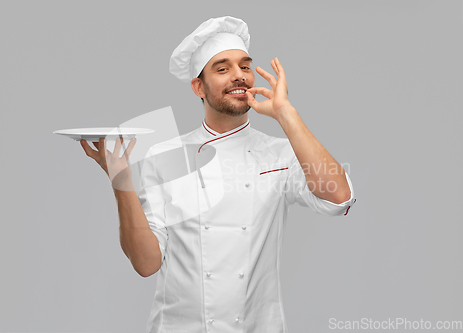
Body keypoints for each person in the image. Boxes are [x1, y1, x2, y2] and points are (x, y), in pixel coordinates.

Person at [81, 16, 356, 333]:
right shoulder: (167, 155)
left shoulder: (280, 153)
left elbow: (341, 196)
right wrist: (122, 182)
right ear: (198, 86)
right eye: (222, 69)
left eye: (245, 66)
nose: (239, 76)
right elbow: (146, 264)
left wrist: (286, 113)